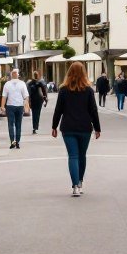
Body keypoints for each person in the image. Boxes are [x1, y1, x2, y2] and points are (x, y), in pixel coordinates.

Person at [51, 60, 101, 197]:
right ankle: (79, 182)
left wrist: (54, 126)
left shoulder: (63, 90)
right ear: (84, 74)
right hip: (85, 127)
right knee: (82, 155)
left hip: (68, 127)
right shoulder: (89, 90)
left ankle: (74, 187)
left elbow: (58, 110)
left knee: (73, 155)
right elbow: (93, 111)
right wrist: (97, 128)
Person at [0, 68, 30, 149]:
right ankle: (17, 142)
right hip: (19, 106)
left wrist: (2, 106)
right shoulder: (22, 83)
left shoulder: (7, 84)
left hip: (10, 106)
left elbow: (4, 96)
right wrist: (26, 106)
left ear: (11, 75)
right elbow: (26, 96)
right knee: (18, 125)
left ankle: (12, 141)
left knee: (10, 124)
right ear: (18, 75)